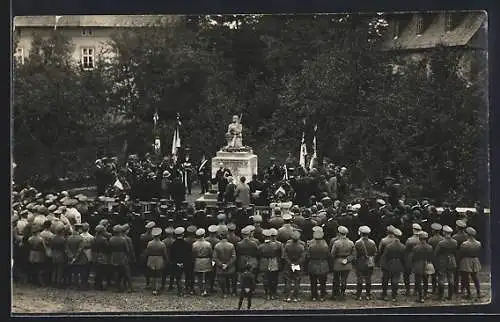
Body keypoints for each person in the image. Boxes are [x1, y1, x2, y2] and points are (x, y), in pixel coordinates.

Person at [380, 228, 405, 302]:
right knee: (395, 281)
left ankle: (384, 295)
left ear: (394, 235)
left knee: (385, 280)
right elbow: (403, 257)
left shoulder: (389, 246)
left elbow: (384, 256)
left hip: (388, 263)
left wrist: (383, 265)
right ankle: (394, 296)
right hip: (398, 264)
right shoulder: (403, 246)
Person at [331, 226, 355, 300]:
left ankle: (335, 294)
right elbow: (354, 254)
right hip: (347, 263)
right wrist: (347, 260)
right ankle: (342, 293)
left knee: (336, 279)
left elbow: (332, 254)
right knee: (344, 279)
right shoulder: (351, 243)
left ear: (339, 233)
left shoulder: (336, 243)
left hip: (338, 261)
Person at [434, 225, 458, 301]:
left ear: (444, 232)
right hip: (451, 260)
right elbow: (455, 252)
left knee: (441, 279)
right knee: (451, 278)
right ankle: (450, 296)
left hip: (442, 261)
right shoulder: (455, 242)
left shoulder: (441, 243)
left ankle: (441, 296)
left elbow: (436, 253)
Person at [354, 226, 377, 300]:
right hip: (370, 261)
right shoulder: (372, 242)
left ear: (360, 233)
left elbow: (355, 254)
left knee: (360, 279)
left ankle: (358, 295)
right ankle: (368, 294)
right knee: (368, 279)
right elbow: (375, 252)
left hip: (360, 261)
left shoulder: (357, 243)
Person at [306, 228, 330, 301]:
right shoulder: (325, 246)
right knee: (323, 282)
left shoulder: (311, 246)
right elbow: (328, 255)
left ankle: (314, 296)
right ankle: (322, 296)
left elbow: (307, 256)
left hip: (313, 264)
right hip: (323, 264)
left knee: (313, 282)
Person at [459, 227, 483, 300]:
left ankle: (469, 293)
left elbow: (461, 253)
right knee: (475, 277)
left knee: (466, 278)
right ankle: (478, 292)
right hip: (475, 260)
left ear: (467, 234)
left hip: (466, 260)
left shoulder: (465, 244)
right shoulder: (478, 243)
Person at [213, 226, 237, 298]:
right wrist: (227, 264)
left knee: (222, 280)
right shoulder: (231, 245)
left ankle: (224, 293)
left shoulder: (217, 246)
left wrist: (221, 264)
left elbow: (215, 257)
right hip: (230, 267)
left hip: (220, 268)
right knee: (233, 279)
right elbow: (234, 257)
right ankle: (233, 292)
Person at [259, 228, 282, 300]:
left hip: (264, 262)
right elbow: (279, 254)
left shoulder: (261, 246)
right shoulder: (277, 245)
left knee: (266, 279)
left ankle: (267, 294)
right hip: (274, 262)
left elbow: (259, 255)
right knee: (274, 279)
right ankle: (273, 293)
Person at [283, 230, 305, 302]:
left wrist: (290, 263)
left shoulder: (287, 245)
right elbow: (303, 257)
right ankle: (296, 297)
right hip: (298, 265)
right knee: (297, 281)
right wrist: (297, 263)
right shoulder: (301, 246)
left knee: (288, 281)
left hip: (288, 265)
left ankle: (288, 297)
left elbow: (284, 255)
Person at [412, 231, 434, 303]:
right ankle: (425, 294)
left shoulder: (416, 247)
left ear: (419, 238)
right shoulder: (430, 247)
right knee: (425, 281)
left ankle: (420, 297)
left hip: (418, 264)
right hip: (427, 264)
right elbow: (431, 257)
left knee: (418, 281)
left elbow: (414, 258)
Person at [145, 227, 168, 295]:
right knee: (158, 274)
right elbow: (164, 253)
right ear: (160, 235)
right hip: (159, 258)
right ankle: (157, 288)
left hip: (151, 258)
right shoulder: (162, 244)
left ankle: (153, 288)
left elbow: (147, 252)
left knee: (152, 274)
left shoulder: (150, 243)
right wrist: (166, 260)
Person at [170, 227, 192, 297]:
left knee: (178, 277)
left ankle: (180, 291)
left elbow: (172, 255)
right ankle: (186, 289)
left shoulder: (173, 244)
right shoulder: (187, 244)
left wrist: (177, 263)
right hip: (185, 263)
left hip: (176, 263)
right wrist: (184, 263)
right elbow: (189, 254)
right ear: (183, 234)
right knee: (187, 276)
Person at [192, 228, 213, 296]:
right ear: (204, 235)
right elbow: (211, 253)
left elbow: (193, 253)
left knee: (199, 277)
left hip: (198, 260)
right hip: (206, 260)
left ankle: (201, 290)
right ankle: (206, 290)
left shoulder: (194, 244)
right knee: (207, 277)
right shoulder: (208, 244)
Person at [404, 223, 422, 296]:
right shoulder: (421, 239)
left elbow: (406, 249)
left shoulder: (410, 240)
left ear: (414, 230)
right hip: (418, 258)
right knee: (417, 276)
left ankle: (408, 290)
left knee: (406, 275)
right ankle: (416, 290)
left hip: (410, 257)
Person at [92, 225, 110, 290]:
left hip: (95, 255)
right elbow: (108, 248)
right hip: (102, 256)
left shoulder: (93, 238)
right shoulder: (104, 239)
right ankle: (100, 285)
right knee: (102, 271)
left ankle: (96, 284)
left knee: (97, 270)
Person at [428, 223, 444, 296]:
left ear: (434, 231)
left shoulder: (431, 240)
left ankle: (434, 289)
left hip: (433, 259)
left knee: (433, 276)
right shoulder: (443, 239)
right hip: (441, 259)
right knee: (441, 276)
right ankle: (440, 292)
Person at [453, 219, 468, 295]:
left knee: (456, 274)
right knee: (464, 273)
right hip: (465, 255)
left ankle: (455, 289)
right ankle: (463, 289)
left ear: (457, 227)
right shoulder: (467, 236)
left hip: (457, 255)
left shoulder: (455, 237)